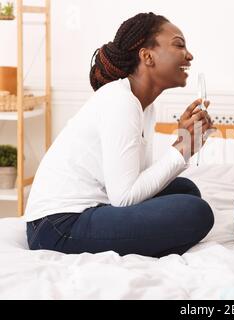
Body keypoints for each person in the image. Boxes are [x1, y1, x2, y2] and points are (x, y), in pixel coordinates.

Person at [24, 12, 215, 257]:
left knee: (186, 190)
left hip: (95, 206)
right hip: (57, 227)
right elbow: (125, 197)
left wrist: (183, 142)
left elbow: (135, 180)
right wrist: (182, 150)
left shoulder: (144, 106)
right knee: (196, 212)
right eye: (179, 45)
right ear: (147, 56)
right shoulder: (119, 101)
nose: (189, 55)